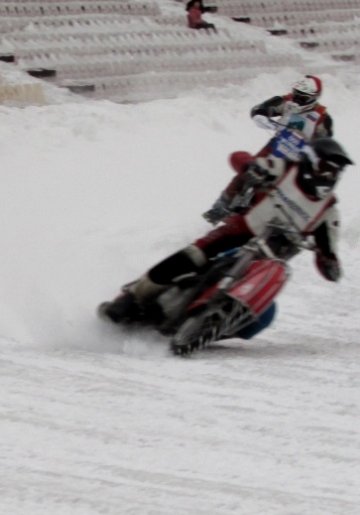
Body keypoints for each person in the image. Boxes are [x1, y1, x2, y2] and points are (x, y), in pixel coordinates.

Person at [101, 137, 352, 339]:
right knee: (194, 255)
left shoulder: (327, 212)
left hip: (267, 262)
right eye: (326, 169)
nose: (329, 178)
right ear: (309, 162)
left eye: (335, 174)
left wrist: (330, 265)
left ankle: (209, 328)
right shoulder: (284, 169)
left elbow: (328, 253)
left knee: (262, 320)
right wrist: (251, 168)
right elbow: (238, 157)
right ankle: (133, 297)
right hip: (241, 231)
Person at [203, 75, 333, 224]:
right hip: (276, 145)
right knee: (248, 171)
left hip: (297, 158)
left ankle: (266, 217)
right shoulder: (286, 101)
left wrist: (313, 152)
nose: (297, 100)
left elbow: (326, 146)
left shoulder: (322, 119)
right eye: (296, 95)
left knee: (283, 190)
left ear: (314, 99)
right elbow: (261, 108)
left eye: (302, 98)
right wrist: (262, 117)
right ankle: (221, 206)